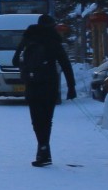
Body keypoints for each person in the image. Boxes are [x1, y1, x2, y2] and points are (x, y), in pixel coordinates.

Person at [11, 14, 76, 166]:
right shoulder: (54, 41)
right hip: (49, 85)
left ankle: (43, 150)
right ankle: (44, 150)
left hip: (32, 84)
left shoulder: (28, 38)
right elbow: (65, 64)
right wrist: (71, 87)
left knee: (36, 120)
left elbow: (14, 60)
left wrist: (27, 67)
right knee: (47, 120)